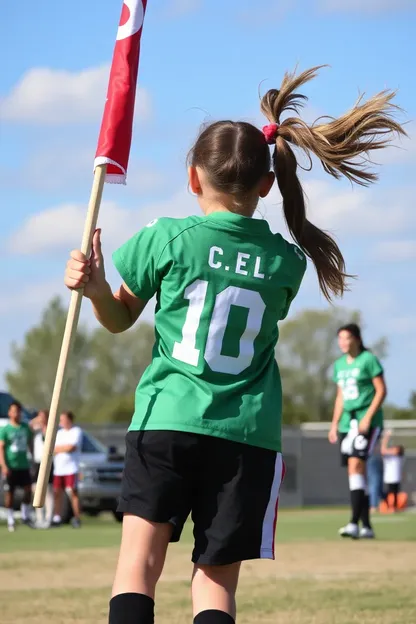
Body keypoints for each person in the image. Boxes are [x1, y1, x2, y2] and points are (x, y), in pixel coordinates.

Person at [64, 66, 404, 624]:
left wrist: (98, 288)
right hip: (246, 437)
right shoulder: (287, 262)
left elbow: (120, 319)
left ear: (193, 178)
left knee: (137, 570)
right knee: (216, 588)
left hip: (167, 421)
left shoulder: (166, 237)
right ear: (268, 185)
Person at [329, 324, 387, 539]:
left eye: (347, 338)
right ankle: (367, 526)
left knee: (356, 466)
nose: (343, 342)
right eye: (340, 338)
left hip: (365, 423)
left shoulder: (368, 360)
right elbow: (340, 396)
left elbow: (381, 390)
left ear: (357, 339)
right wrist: (334, 424)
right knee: (355, 474)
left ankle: (353, 523)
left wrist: (368, 418)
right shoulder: (339, 365)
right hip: (346, 423)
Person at [0, 401, 34, 532]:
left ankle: (25, 515)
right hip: (11, 465)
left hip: (23, 464)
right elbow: (1, 448)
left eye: (18, 411)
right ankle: (10, 519)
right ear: (9, 413)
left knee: (28, 490)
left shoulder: (25, 428)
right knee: (10, 492)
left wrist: (32, 458)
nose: (16, 414)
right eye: (13, 411)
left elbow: (30, 444)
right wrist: (3, 465)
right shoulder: (5, 429)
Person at [52, 411, 83, 528]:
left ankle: (77, 517)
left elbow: (71, 447)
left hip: (71, 468)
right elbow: (52, 448)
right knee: (56, 492)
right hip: (58, 469)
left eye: (64, 419)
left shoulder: (76, 431)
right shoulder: (59, 433)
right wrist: (61, 448)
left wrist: (60, 448)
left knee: (72, 492)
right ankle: (57, 517)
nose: (62, 422)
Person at [29, 410, 54, 528]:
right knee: (35, 490)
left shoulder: (51, 428)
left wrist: (46, 423)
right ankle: (40, 518)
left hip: (47, 462)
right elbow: (29, 425)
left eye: (43, 417)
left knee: (48, 490)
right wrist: (38, 419)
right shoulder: (36, 429)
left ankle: (49, 518)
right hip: (37, 462)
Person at [381, 430, 406, 512]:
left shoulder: (399, 458)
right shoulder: (388, 456)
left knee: (395, 493)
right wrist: (386, 437)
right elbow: (383, 450)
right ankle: (388, 506)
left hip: (396, 478)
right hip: (388, 478)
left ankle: (393, 507)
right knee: (386, 493)